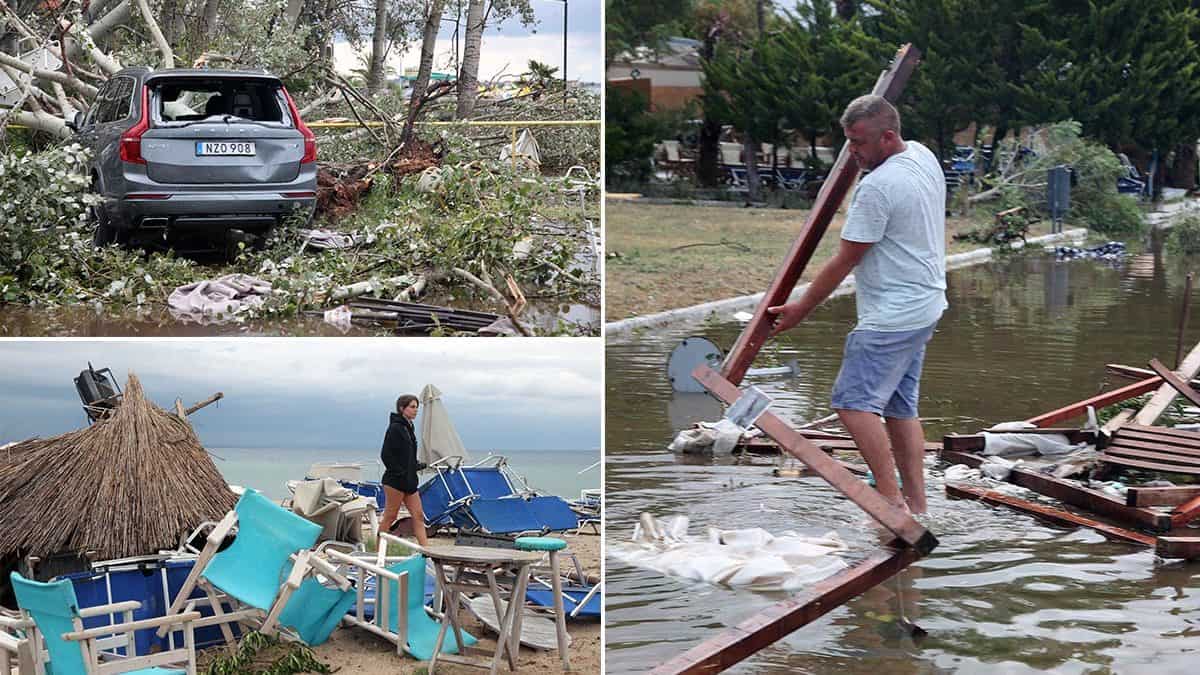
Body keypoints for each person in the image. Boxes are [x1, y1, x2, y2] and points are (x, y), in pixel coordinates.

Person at [767, 94, 947, 516]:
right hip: (925, 303)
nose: (852, 153)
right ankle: (917, 506)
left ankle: (889, 500)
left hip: (894, 315)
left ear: (888, 137)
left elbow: (846, 258)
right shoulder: (921, 155)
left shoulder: (878, 187)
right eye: (848, 141)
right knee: (901, 408)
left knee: (852, 403)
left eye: (860, 143)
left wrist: (801, 308)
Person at [380, 394, 428, 546]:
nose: (415, 410)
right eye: (412, 407)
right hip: (395, 481)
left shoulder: (409, 428)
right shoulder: (395, 428)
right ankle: (377, 549)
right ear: (402, 408)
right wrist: (400, 472)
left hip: (409, 481)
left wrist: (416, 465)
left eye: (417, 408)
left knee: (418, 516)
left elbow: (406, 456)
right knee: (390, 516)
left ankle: (427, 552)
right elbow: (386, 455)